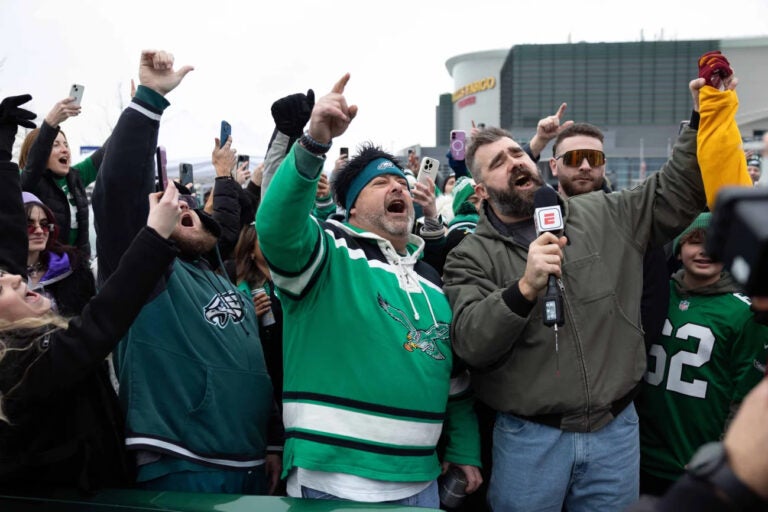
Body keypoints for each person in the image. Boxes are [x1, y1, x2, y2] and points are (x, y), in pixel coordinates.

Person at [442, 70, 723, 511]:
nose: (515, 162)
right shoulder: (469, 255)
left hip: (615, 433)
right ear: (480, 190)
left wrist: (702, 116)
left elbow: (677, 191)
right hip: (530, 440)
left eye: (517, 153)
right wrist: (524, 288)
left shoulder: (603, 213)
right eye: (498, 163)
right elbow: (470, 342)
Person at [256, 74, 482, 507]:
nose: (397, 186)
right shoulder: (327, 256)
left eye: (401, 181)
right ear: (353, 206)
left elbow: (456, 384)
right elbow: (276, 227)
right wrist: (314, 140)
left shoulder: (433, 283)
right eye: (381, 183)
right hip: (336, 484)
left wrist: (465, 450)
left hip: (424, 484)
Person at [91, 49, 282, 495]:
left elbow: (253, 367)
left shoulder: (218, 274)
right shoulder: (146, 278)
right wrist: (149, 100)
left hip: (252, 458)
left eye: (190, 204)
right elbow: (116, 193)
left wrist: (273, 439)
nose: (182, 204)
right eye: (167, 205)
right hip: (182, 459)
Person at [0, 93, 182, 492]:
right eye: (6, 285)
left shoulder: (23, 336)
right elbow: (105, 316)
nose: (15, 277)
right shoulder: (27, 368)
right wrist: (153, 236)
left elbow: (8, 243)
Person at [635, 212, 768, 496]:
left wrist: (726, 458)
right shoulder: (653, 292)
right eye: (694, 242)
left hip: (697, 464)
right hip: (638, 456)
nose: (705, 251)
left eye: (716, 243)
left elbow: (744, 396)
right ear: (679, 249)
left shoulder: (745, 313)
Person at [548, 123, 671, 349]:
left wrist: (627, 357)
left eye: (594, 159)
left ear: (603, 166)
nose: (585, 166)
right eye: (574, 158)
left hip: (617, 368)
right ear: (554, 166)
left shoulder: (632, 219)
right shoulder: (534, 220)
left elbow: (654, 301)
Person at [19, 97, 106, 258]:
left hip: (77, 269)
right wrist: (50, 123)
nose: (65, 150)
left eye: (66, 144)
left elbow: (108, 152)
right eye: (56, 144)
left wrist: (136, 110)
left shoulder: (75, 176)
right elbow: (34, 165)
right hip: (46, 271)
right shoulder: (27, 181)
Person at [22, 191, 96, 317]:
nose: (39, 231)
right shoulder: (5, 276)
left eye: (44, 225)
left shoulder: (73, 269)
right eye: (29, 225)